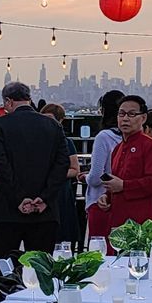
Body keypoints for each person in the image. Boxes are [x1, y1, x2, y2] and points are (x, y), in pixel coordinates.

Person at [0, 80, 69, 290]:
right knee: (43, 272)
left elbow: (2, 166)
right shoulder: (53, 125)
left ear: (8, 101)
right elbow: (62, 165)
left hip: (8, 210)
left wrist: (20, 198)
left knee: (3, 270)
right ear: (29, 98)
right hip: (45, 212)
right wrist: (45, 198)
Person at [91, 95, 152, 239]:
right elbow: (116, 182)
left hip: (141, 226)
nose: (125, 118)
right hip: (118, 224)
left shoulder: (151, 146)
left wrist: (124, 186)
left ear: (143, 118)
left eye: (132, 114)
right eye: (121, 114)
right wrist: (106, 196)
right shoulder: (118, 149)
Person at [41, 102, 85, 247]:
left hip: (61, 192)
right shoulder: (36, 142)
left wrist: (55, 175)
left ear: (60, 121)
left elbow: (75, 169)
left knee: (63, 233)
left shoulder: (67, 142)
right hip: (41, 191)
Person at [82, 88, 124, 235]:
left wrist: (85, 177)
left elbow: (95, 177)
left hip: (100, 202)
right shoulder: (129, 137)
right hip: (122, 202)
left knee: (100, 250)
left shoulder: (104, 137)